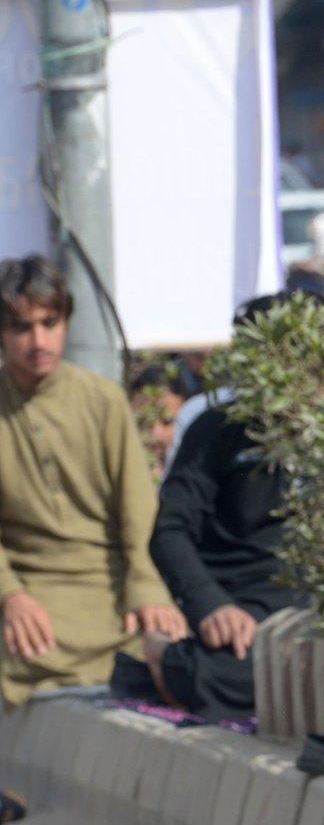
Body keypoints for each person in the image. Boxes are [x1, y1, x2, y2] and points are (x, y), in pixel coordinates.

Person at [0, 255, 186, 706]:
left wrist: (146, 589)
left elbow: (137, 507)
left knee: (178, 666)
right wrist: (9, 596)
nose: (38, 340)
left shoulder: (101, 400)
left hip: (111, 592)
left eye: (50, 322)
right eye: (22, 327)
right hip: (29, 594)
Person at [126, 394, 300, 718]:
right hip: (244, 605)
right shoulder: (218, 427)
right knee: (252, 676)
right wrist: (211, 605)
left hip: (317, 605)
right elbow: (170, 530)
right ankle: (167, 657)